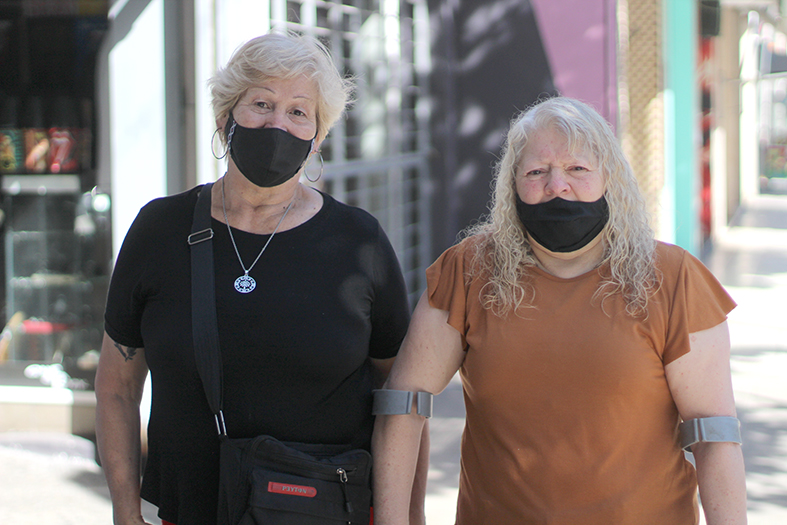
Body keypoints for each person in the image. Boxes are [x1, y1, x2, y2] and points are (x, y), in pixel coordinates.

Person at [95, 32, 421, 525]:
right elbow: (117, 387)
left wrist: (408, 517)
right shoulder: (159, 230)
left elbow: (403, 400)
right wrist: (125, 511)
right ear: (225, 118)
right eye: (261, 104)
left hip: (325, 514)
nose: (277, 124)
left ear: (317, 138)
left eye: (298, 112)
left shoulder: (360, 243)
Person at [372, 97, 748, 524]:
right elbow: (404, 401)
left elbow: (714, 433)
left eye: (577, 168)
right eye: (536, 172)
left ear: (610, 177)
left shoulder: (672, 278)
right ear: (512, 184)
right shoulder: (470, 270)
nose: (557, 186)